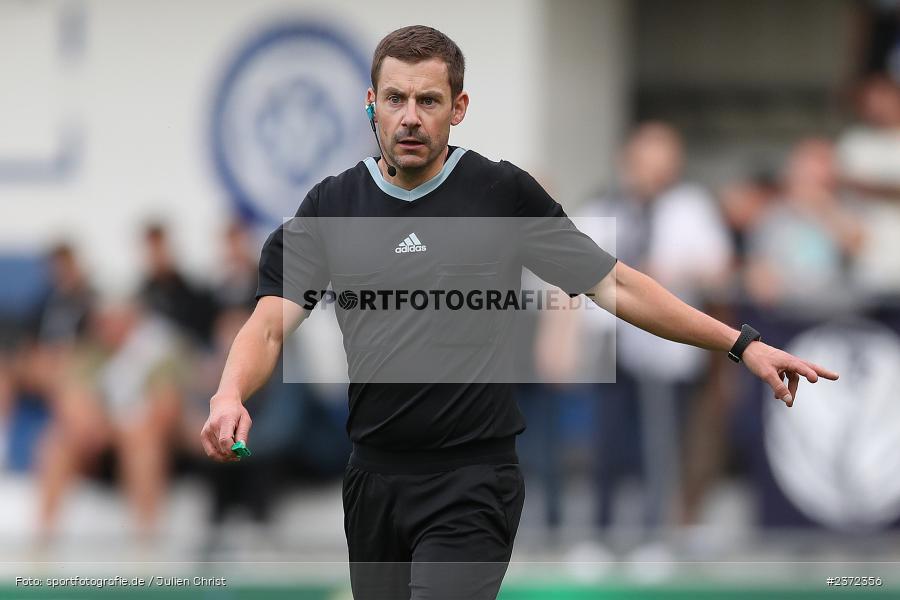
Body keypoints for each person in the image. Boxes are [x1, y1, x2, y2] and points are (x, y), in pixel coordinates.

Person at [201, 25, 839, 600]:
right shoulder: (332, 206)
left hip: (471, 481)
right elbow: (269, 324)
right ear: (371, 103)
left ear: (459, 108)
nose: (411, 117)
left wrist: (741, 344)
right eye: (395, 99)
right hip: (372, 479)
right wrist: (230, 393)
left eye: (429, 101)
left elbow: (615, 285)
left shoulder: (498, 193)